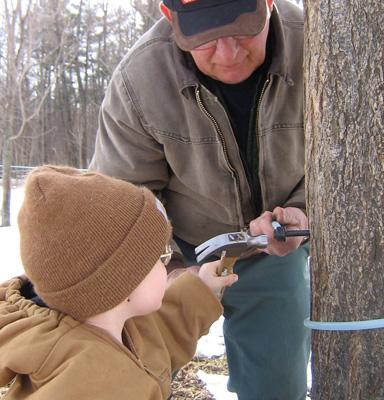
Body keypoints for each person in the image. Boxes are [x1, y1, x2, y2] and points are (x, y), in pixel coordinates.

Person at [89, 0, 310, 398]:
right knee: (125, 379)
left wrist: (302, 213)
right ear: (170, 17)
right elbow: (120, 199)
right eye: (205, 37)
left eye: (243, 28)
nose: (228, 54)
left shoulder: (316, 46)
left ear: (269, 3)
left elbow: (349, 160)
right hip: (174, 252)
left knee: (277, 386)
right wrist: (166, 270)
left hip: (273, 249)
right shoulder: (139, 81)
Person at [0, 165, 238, 400]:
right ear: (117, 282)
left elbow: (156, 338)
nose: (166, 265)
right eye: (160, 257)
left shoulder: (113, 325)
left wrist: (201, 288)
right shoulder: (94, 384)